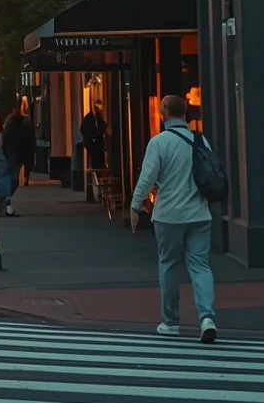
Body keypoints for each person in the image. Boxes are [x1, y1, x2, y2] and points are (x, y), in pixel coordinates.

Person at [129, 94, 218, 344]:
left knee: (168, 264)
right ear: (185, 112)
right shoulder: (201, 141)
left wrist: (135, 206)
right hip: (200, 213)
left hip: (169, 215)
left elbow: (147, 178)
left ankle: (171, 322)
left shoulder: (159, 143)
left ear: (165, 112)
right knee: (200, 265)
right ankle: (207, 318)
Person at [0, 99, 36, 216]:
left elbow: (5, 138)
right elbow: (30, 137)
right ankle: (7, 201)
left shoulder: (11, 122)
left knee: (12, 177)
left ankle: (6, 201)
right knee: (12, 177)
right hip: (17, 152)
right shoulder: (21, 122)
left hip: (14, 152)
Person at [80, 107, 107, 173]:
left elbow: (103, 126)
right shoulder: (89, 118)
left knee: (98, 154)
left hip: (96, 141)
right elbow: (83, 129)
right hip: (93, 142)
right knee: (96, 156)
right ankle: (97, 166)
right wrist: (92, 138)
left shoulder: (97, 117)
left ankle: (100, 165)